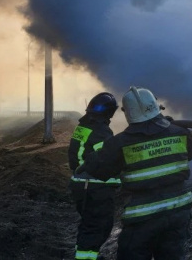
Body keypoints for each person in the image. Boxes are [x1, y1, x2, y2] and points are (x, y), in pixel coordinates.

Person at [78, 86, 192, 260]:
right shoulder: (181, 133)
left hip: (143, 218)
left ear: (127, 113)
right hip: (178, 212)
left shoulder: (119, 143)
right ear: (157, 106)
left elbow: (99, 168)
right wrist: (167, 128)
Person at [69, 92, 121, 260]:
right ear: (110, 112)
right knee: (98, 227)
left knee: (89, 226)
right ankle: (85, 257)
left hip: (82, 185)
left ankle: (84, 255)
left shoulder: (84, 126)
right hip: (95, 187)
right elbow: (106, 159)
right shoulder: (100, 131)